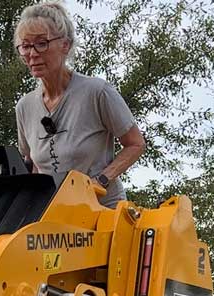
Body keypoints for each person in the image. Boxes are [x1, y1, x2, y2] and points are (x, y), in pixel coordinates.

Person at [13, 2, 146, 208]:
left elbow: (136, 144)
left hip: (102, 210)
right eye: (26, 46)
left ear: (65, 45)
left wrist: (100, 181)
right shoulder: (24, 107)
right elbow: (33, 164)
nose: (32, 53)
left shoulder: (97, 91)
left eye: (41, 43)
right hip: (55, 213)